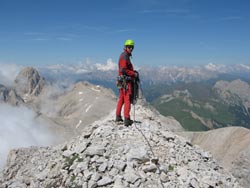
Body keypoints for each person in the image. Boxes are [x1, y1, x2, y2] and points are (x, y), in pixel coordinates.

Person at [115, 39, 138, 126]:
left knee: (121, 98)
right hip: (126, 81)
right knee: (127, 98)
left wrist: (132, 72)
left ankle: (118, 116)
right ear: (126, 47)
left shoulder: (124, 55)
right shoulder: (125, 56)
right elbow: (124, 69)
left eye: (132, 47)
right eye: (129, 47)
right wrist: (134, 74)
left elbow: (123, 69)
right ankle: (127, 119)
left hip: (121, 81)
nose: (131, 49)